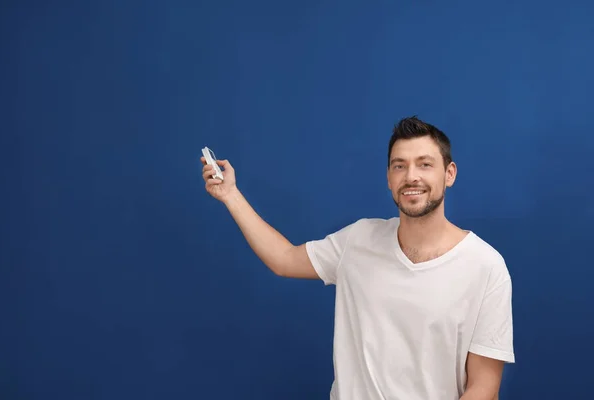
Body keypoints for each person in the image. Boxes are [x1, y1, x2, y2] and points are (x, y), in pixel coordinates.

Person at [200, 116, 515, 400]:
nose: (411, 176)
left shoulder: (485, 266)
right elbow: (284, 258)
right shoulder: (358, 239)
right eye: (399, 165)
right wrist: (230, 194)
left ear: (450, 174)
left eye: (425, 164)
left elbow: (484, 388)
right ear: (389, 178)